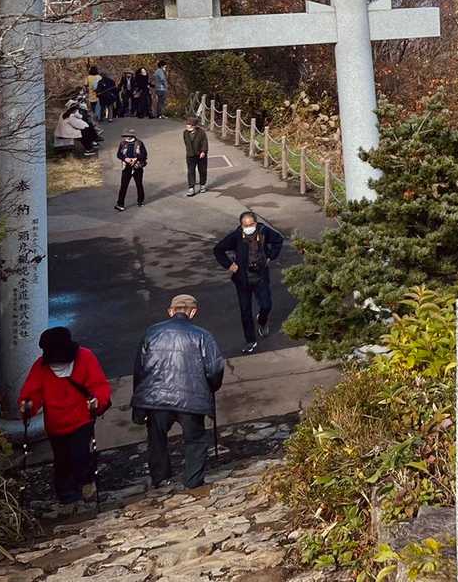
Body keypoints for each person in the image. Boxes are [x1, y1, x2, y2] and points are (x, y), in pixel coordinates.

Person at [131, 293, 224, 490]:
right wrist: (211, 387)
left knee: (157, 440)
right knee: (195, 440)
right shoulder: (202, 335)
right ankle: (193, 480)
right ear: (193, 312)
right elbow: (215, 369)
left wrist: (139, 404)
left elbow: (139, 369)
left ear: (171, 311)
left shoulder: (151, 333)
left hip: (156, 397)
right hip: (190, 398)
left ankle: (161, 479)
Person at [18, 326, 111, 506]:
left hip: (81, 418)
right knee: (62, 460)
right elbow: (32, 393)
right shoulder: (41, 367)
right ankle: (67, 494)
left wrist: (97, 400)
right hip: (56, 424)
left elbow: (99, 385)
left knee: (80, 455)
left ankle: (85, 485)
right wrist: (27, 405)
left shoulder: (85, 357)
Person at [213, 210, 283, 354]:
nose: (249, 227)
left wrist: (270, 256)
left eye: (251, 224)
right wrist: (229, 265)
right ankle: (250, 340)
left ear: (255, 223)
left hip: (260, 277)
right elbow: (218, 249)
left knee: (266, 305)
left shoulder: (263, 231)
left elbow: (278, 240)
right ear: (241, 225)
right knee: (245, 311)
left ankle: (262, 320)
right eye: (245, 225)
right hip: (242, 279)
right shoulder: (236, 236)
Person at [115, 129, 148, 211]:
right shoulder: (123, 143)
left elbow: (144, 155)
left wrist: (136, 159)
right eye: (124, 136)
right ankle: (120, 204)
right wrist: (125, 158)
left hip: (137, 166)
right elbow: (119, 154)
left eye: (127, 136)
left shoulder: (139, 143)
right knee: (123, 186)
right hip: (126, 167)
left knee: (139, 184)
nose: (125, 137)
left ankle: (140, 201)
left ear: (132, 136)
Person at [183, 115, 208, 196]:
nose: (187, 126)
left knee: (202, 170)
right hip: (190, 155)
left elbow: (204, 142)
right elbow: (186, 143)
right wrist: (189, 151)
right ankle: (191, 188)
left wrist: (203, 151)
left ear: (194, 126)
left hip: (201, 155)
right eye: (187, 124)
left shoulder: (201, 132)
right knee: (190, 171)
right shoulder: (185, 132)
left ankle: (202, 185)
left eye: (189, 125)